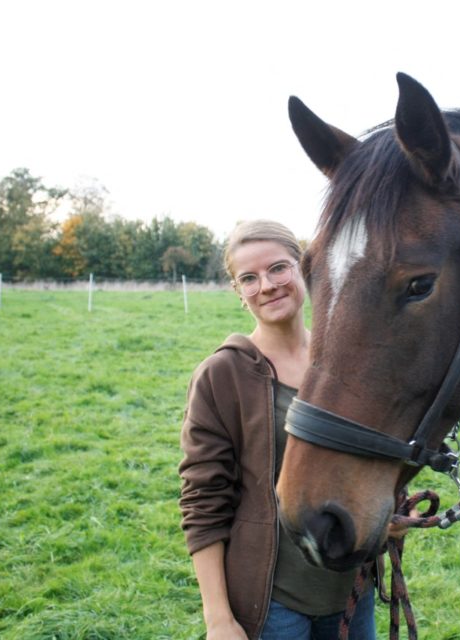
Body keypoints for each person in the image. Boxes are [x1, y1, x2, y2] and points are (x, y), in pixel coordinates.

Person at [178, 219, 376, 640]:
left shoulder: (342, 359)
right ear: (238, 292)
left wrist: (388, 513)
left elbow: (363, 462)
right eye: (249, 278)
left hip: (353, 589)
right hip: (273, 603)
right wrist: (218, 619)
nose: (266, 285)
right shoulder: (221, 375)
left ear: (302, 266)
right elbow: (203, 501)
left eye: (277, 268)